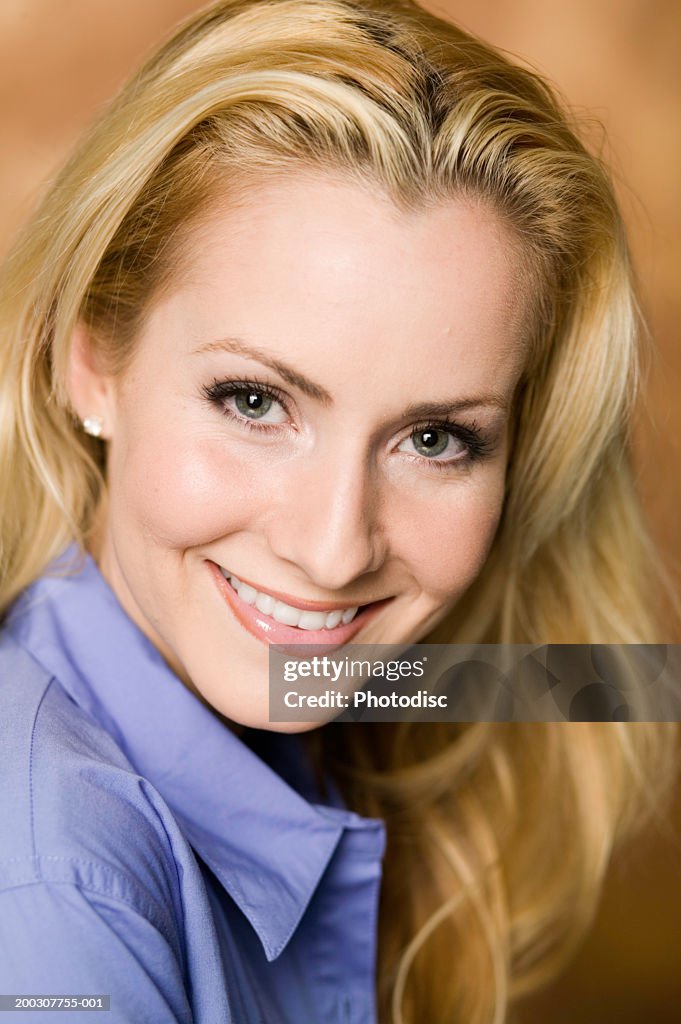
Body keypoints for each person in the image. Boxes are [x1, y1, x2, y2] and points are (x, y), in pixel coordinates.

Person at [0, 1, 677, 1021]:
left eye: (436, 438)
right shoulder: (61, 896)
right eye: (256, 402)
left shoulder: (328, 684)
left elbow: (577, 681)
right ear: (91, 363)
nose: (331, 549)